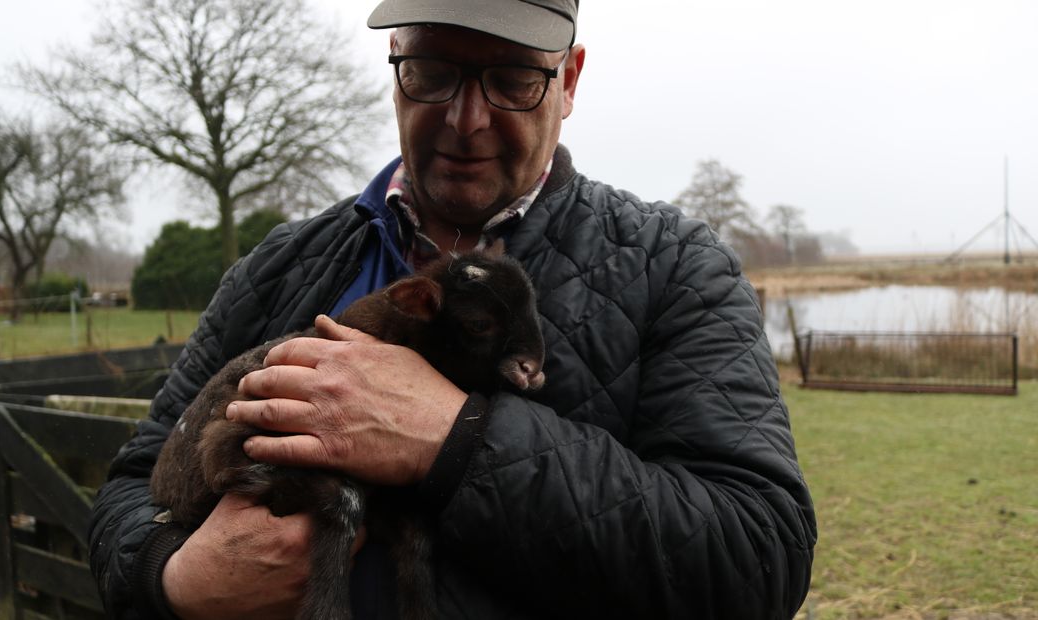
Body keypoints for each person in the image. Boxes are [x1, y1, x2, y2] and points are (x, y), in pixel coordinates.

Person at [89, 0, 817, 618]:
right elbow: (130, 487)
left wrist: (457, 440)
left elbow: (758, 556)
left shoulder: (674, 268)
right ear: (396, 66)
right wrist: (171, 577)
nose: (467, 120)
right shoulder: (277, 268)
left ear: (568, 80)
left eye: (512, 80)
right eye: (433, 73)